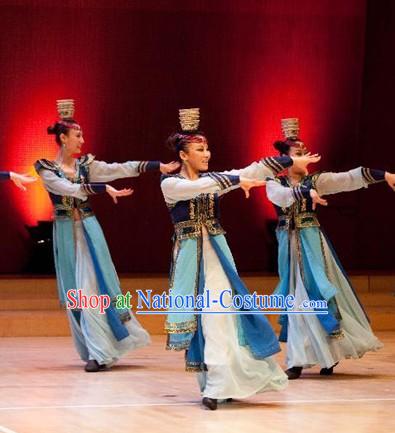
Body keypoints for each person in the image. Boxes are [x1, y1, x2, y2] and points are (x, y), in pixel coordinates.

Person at [160, 108, 318, 410]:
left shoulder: (213, 179)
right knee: (206, 320)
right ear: (183, 155)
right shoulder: (171, 185)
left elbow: (249, 172)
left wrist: (286, 162)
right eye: (200, 149)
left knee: (222, 318)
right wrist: (238, 179)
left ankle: (222, 383)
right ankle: (214, 383)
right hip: (191, 261)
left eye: (207, 148)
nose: (207, 153)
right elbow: (205, 186)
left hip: (218, 256)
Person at [35, 99, 179, 372]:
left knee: (96, 286)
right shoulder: (46, 169)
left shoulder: (85, 166)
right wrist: (103, 190)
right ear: (63, 139)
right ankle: (93, 348)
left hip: (90, 230)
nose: (82, 140)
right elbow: (69, 189)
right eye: (78, 135)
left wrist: (154, 166)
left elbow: (119, 168)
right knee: (76, 291)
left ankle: (101, 352)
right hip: (67, 235)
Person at [265, 118, 393, 379]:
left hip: (312, 244)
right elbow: (280, 198)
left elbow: (347, 179)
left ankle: (311, 357)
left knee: (316, 293)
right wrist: (304, 193)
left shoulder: (317, 180)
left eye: (305, 153)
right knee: (295, 296)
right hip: (288, 246)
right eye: (298, 155)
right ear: (285, 159)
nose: (305, 159)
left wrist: (384, 175)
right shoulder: (274, 183)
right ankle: (299, 356)